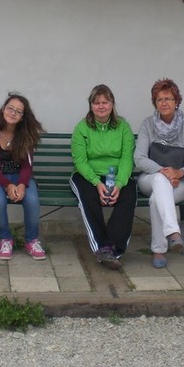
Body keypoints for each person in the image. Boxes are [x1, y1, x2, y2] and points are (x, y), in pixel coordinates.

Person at [135, 79, 184, 269]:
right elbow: (139, 158)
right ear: (154, 103)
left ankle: (158, 250)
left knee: (156, 200)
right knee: (159, 181)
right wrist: (163, 172)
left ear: (176, 101)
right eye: (159, 99)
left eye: (168, 99)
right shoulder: (147, 124)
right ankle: (173, 232)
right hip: (150, 178)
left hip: (181, 180)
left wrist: (179, 173)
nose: (164, 103)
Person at [70, 84, 137, 270]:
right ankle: (102, 247)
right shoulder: (82, 128)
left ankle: (112, 248)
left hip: (116, 176)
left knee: (130, 193)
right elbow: (80, 161)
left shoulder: (123, 127)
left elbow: (127, 158)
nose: (101, 106)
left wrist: (120, 184)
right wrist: (96, 183)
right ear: (91, 105)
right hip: (88, 176)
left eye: (105, 102)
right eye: (96, 102)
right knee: (88, 196)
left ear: (112, 104)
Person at [0, 93, 46, 261]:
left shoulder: (25, 133)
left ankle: (32, 241)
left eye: (18, 111)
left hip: (20, 175)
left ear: (22, 116)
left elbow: (27, 166)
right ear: (3, 109)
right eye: (10, 108)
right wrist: (8, 185)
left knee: (32, 199)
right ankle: (4, 239)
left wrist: (22, 184)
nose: (13, 113)